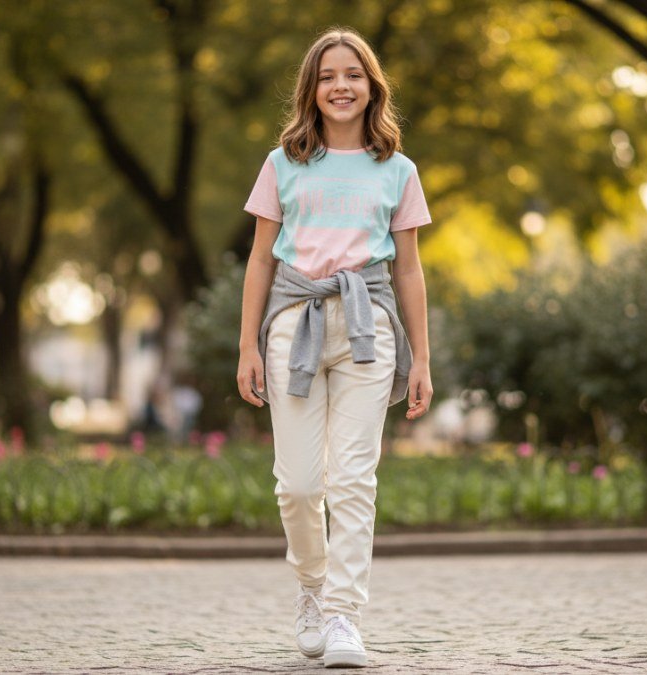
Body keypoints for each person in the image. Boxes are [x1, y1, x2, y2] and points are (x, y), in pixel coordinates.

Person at [236, 27, 434, 669]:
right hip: (294, 325)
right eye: (327, 76)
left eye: (352, 74)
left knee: (353, 478)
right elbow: (260, 259)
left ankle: (345, 615)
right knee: (297, 486)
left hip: (367, 327)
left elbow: (408, 269)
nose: (340, 86)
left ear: (371, 85)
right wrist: (247, 345)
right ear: (311, 90)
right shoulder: (282, 163)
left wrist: (423, 358)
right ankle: (313, 591)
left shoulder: (397, 169)